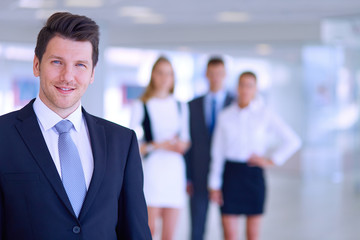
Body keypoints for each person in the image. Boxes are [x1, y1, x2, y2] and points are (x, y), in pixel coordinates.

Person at [0, 12, 151, 240]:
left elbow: (135, 231)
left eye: (80, 65)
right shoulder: (3, 136)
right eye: (57, 62)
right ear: (36, 64)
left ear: (92, 73)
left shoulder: (122, 142)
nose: (67, 76)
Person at [208, 71, 301, 240]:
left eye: (249, 85)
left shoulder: (265, 114)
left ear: (256, 88)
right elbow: (218, 152)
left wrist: (271, 160)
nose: (245, 89)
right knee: (229, 235)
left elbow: (293, 140)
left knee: (253, 235)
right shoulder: (225, 116)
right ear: (237, 87)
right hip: (230, 175)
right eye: (242, 85)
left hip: (253, 175)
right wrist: (214, 184)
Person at [130, 56, 190, 240]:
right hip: (153, 172)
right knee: (148, 229)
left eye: (169, 74)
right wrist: (157, 145)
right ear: (153, 75)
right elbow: (131, 145)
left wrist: (181, 145)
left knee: (170, 234)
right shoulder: (141, 104)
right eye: (160, 73)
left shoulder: (181, 105)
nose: (165, 78)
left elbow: (186, 140)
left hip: (175, 170)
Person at [185, 57, 233, 240]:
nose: (215, 78)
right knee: (197, 226)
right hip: (198, 174)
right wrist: (187, 176)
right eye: (211, 73)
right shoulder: (192, 105)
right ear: (206, 74)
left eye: (219, 73)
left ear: (225, 75)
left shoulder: (235, 104)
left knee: (228, 227)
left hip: (228, 174)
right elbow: (189, 143)